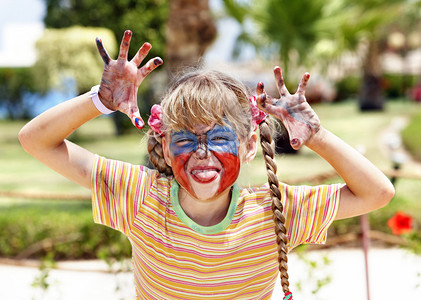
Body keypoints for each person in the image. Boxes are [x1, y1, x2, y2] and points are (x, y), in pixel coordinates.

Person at [19, 30, 395, 300]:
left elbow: (378, 193)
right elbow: (35, 140)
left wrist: (315, 135)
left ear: (249, 147)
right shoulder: (138, 196)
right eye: (185, 139)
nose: (202, 152)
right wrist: (99, 101)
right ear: (165, 148)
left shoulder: (275, 211)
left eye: (218, 138)